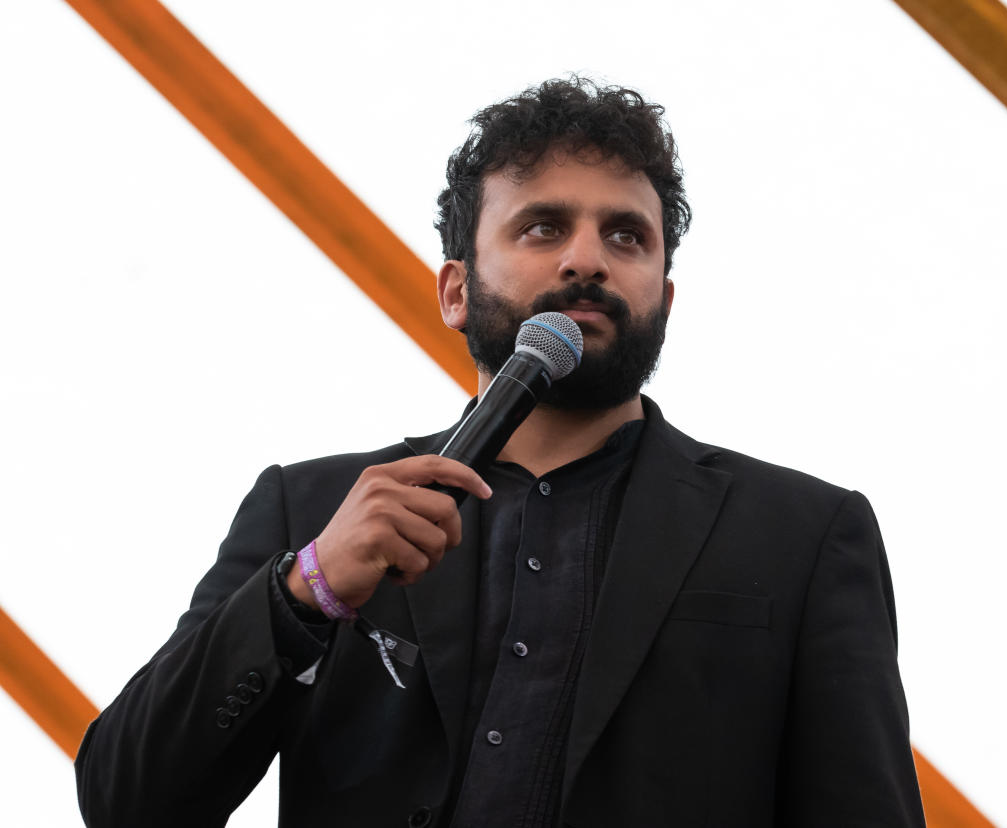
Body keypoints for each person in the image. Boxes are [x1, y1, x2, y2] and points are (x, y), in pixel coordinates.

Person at [75, 77, 925, 828]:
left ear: (664, 299)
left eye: (626, 237)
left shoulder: (803, 535)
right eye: (542, 227)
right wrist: (307, 592)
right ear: (455, 290)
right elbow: (128, 800)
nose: (586, 258)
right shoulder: (314, 511)